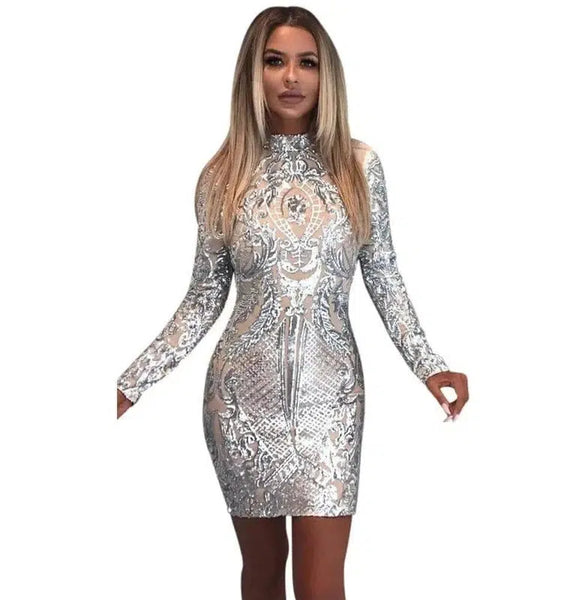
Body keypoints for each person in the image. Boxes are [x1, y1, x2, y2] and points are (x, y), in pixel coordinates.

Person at [116, 6, 469, 599]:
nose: (290, 77)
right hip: (240, 401)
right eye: (274, 61)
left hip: (332, 398)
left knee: (321, 582)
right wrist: (130, 383)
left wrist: (429, 365)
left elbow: (384, 274)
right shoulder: (223, 175)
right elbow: (204, 296)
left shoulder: (358, 166)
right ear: (251, 74)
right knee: (261, 573)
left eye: (307, 63)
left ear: (326, 75)